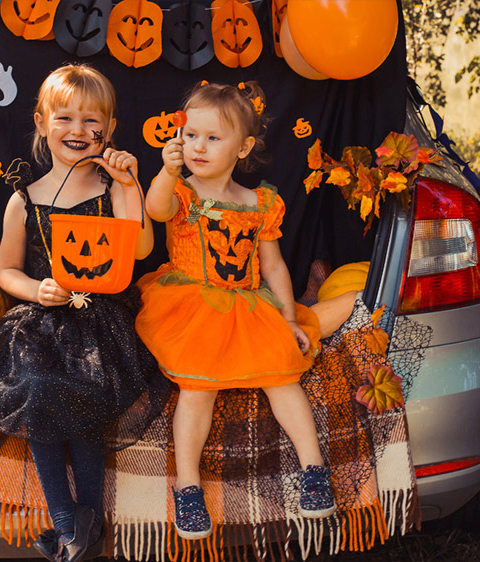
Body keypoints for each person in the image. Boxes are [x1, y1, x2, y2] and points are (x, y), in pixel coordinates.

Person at [0, 64, 171, 562]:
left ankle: (75, 533)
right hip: (42, 323)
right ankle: (73, 524)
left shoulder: (113, 188)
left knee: (86, 398)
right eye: (65, 118)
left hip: (103, 321)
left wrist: (131, 184)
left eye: (91, 121)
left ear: (109, 130)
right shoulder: (24, 201)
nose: (78, 130)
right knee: (39, 391)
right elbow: (5, 270)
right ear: (41, 122)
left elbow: (139, 248)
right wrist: (36, 288)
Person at [135, 81, 335, 540]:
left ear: (243, 147)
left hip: (247, 304)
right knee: (197, 389)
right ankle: (188, 487)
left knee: (281, 376)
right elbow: (155, 209)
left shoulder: (259, 203)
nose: (197, 146)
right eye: (190, 136)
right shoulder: (183, 194)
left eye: (213, 138)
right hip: (190, 302)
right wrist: (166, 173)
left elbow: (273, 265)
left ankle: (313, 470)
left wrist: (286, 317)